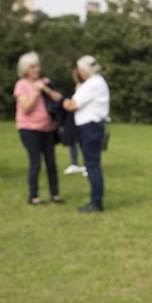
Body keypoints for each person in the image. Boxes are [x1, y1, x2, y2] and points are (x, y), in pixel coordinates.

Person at [14, 51, 65, 205]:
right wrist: (36, 92)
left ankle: (55, 194)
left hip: (48, 128)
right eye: (32, 67)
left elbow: (59, 99)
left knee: (51, 162)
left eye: (37, 66)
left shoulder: (45, 81)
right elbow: (26, 108)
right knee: (35, 162)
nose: (37, 69)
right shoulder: (21, 85)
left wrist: (46, 89)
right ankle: (34, 195)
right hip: (29, 129)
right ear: (25, 69)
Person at [62, 55, 109, 212]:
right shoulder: (98, 82)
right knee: (92, 164)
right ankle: (96, 200)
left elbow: (72, 105)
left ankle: (96, 202)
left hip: (89, 127)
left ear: (83, 70)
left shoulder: (92, 84)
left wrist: (64, 102)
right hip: (93, 127)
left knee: (92, 165)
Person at [63, 68, 87, 177]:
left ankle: (87, 165)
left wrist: (68, 104)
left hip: (84, 118)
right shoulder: (77, 86)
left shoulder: (87, 87)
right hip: (74, 118)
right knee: (73, 141)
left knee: (83, 143)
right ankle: (74, 163)